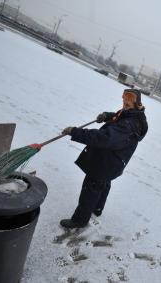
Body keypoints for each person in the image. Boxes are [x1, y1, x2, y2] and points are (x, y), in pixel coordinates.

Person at [59, 89, 148, 228]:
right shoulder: (134, 115)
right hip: (113, 162)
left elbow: (104, 138)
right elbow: (120, 116)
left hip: (106, 163)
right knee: (104, 183)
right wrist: (107, 116)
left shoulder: (130, 124)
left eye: (129, 101)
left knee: (91, 190)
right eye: (124, 99)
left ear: (137, 103)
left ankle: (79, 221)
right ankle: (97, 208)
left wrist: (75, 132)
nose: (125, 103)